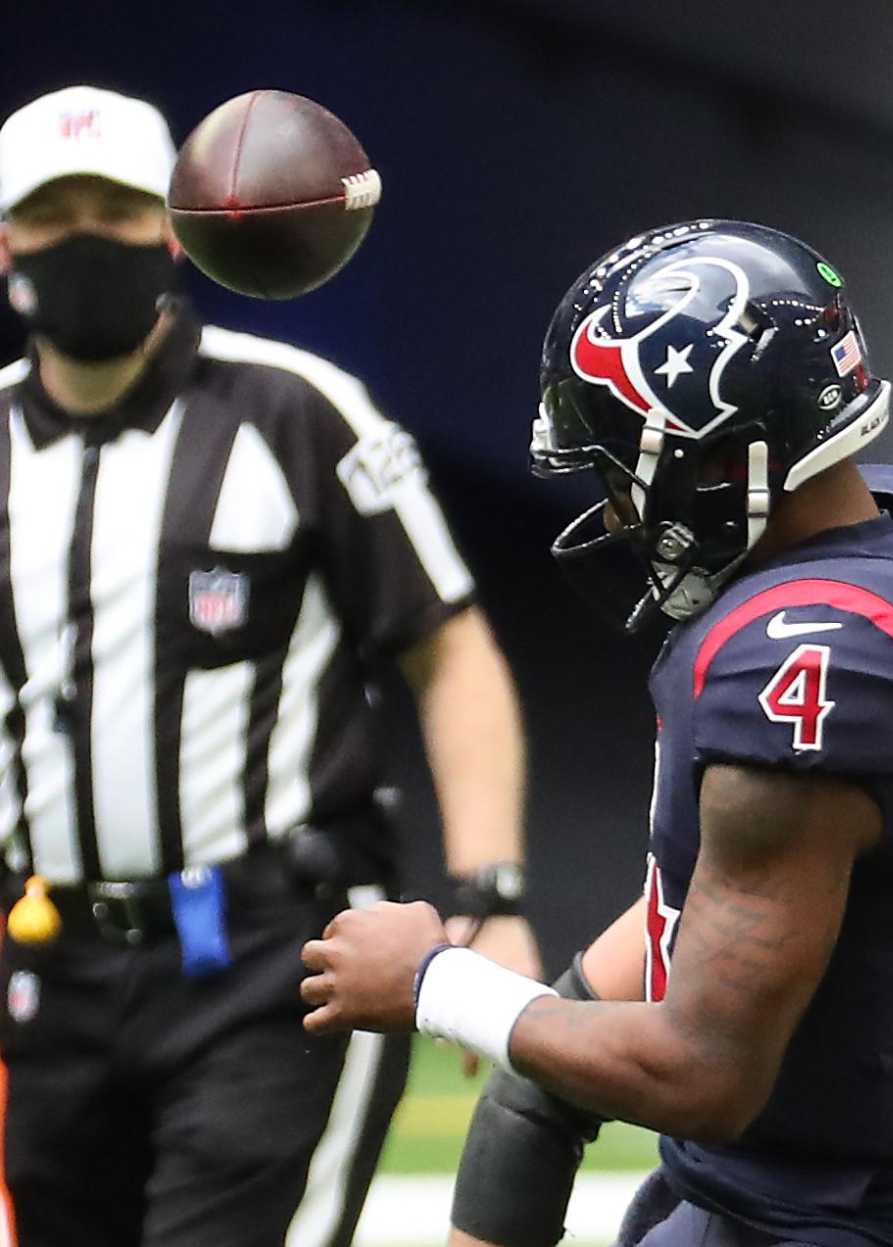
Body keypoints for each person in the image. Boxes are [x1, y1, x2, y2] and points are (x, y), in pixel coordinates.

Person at [299, 220, 893, 1247]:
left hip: (854, 1214)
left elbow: (706, 1071)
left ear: (718, 456)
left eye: (621, 470)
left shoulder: (806, 660)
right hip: (772, 1185)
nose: (615, 509)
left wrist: (435, 981)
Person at [0, 85, 537, 1247]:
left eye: (117, 206)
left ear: (175, 226)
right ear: (7, 241)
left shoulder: (296, 410)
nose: (84, 234)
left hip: (272, 956)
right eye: (53, 213)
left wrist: (491, 894)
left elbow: (452, 654)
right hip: (51, 962)